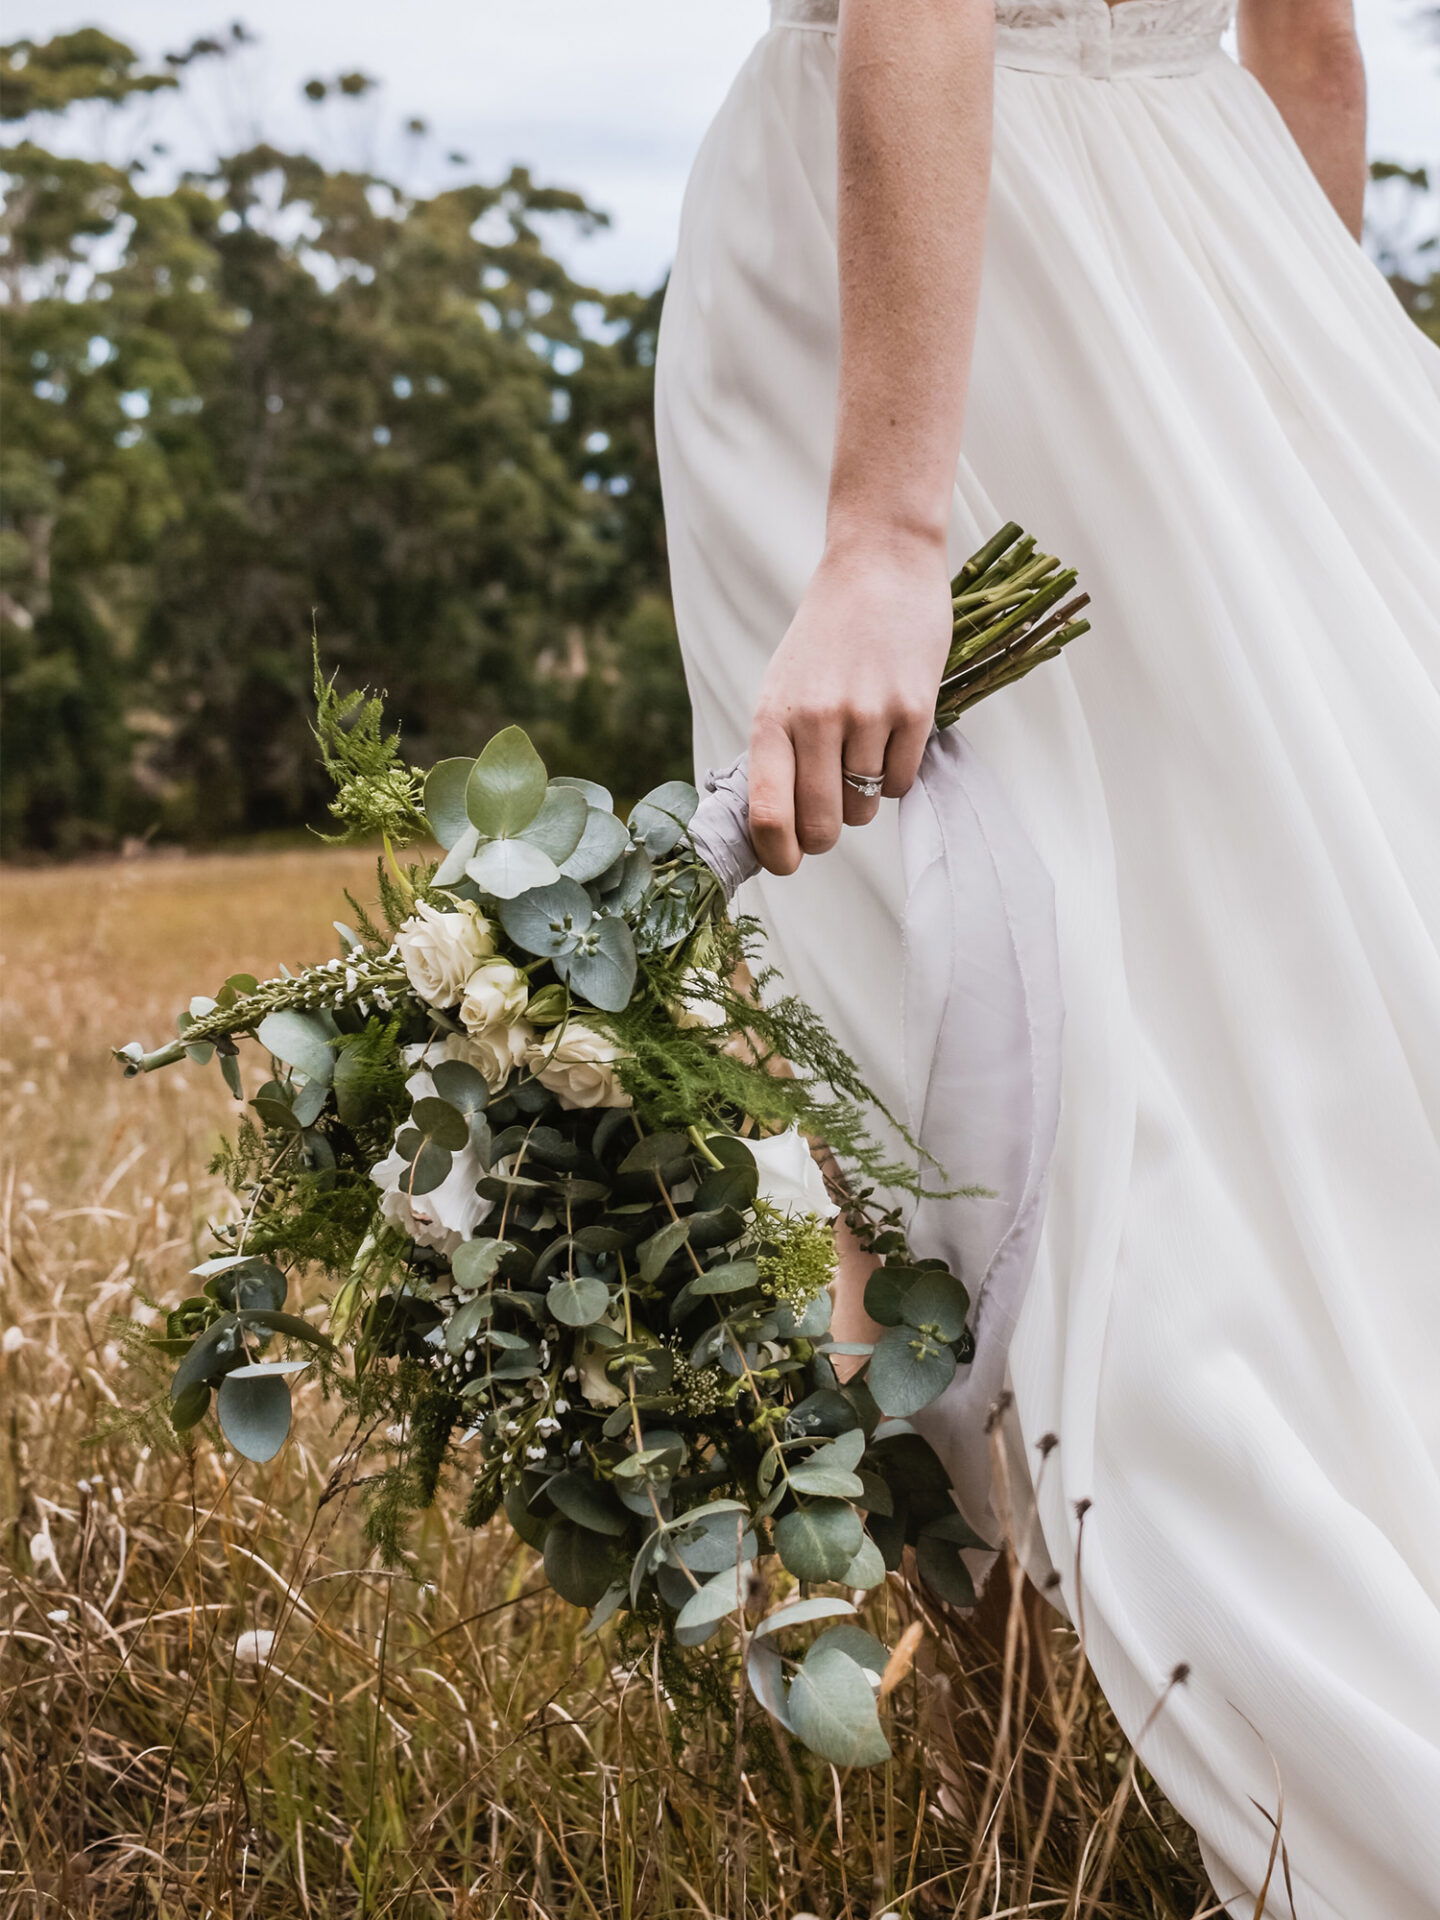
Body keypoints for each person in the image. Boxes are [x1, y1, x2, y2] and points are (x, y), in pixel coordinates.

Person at [653, 1, 1440, 1913]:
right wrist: (1259, 406)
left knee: (938, 1048)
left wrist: (887, 523)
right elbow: (1313, 38)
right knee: (1270, 995)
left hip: (920, 273)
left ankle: (1069, 1766)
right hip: (1232, 249)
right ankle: (1025, 1785)